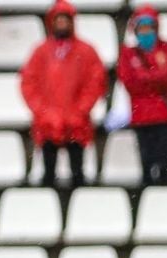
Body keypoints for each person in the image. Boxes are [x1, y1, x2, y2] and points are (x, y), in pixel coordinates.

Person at [19, 1, 104, 189]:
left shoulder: (86, 51)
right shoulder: (41, 52)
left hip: (77, 122)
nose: (62, 24)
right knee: (48, 172)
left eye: (65, 20)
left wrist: (80, 110)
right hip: (48, 122)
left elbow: (95, 82)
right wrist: (44, 112)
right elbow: (29, 83)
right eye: (58, 20)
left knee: (78, 172)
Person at [118, 7, 167, 186]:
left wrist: (144, 76)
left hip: (163, 114)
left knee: (166, 163)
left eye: (149, 27)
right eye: (142, 28)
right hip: (141, 116)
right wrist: (155, 76)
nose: (146, 32)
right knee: (146, 163)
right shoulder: (128, 53)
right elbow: (130, 83)